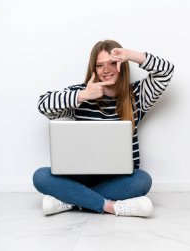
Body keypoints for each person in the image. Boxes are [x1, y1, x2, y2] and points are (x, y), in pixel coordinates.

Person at [33, 40, 174, 217]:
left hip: (118, 177)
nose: (106, 70)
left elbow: (166, 71)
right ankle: (111, 206)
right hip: (81, 174)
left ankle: (70, 199)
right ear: (94, 69)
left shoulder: (137, 95)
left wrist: (130, 54)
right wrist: (83, 95)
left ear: (122, 64)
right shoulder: (81, 94)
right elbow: (43, 105)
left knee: (143, 180)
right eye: (100, 65)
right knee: (40, 176)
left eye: (112, 63)